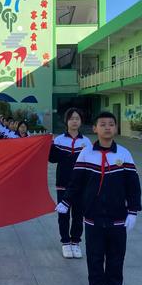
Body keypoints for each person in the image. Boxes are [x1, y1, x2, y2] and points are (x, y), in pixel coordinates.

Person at [56, 111, 142, 285]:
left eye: (111, 124)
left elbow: (133, 185)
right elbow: (76, 182)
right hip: (93, 216)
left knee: (116, 256)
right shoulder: (86, 153)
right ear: (95, 128)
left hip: (118, 216)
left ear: (116, 128)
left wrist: (133, 211)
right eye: (102, 124)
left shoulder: (124, 154)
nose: (107, 128)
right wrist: (66, 202)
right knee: (95, 256)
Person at [49, 108, 92, 259]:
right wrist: (49, 145)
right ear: (66, 121)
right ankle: (65, 242)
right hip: (63, 184)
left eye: (77, 118)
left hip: (81, 185)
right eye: (72, 118)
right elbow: (52, 159)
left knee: (78, 214)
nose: (75, 121)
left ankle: (75, 242)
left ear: (81, 121)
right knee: (64, 214)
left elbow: (90, 163)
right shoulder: (59, 140)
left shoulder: (86, 142)